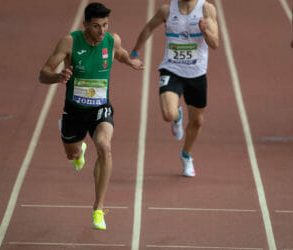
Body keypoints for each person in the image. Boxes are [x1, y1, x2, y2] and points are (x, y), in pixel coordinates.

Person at [39, 2, 144, 230]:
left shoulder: (110, 40)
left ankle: (98, 207)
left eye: (105, 25)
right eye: (96, 26)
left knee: (105, 147)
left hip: (100, 109)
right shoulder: (70, 42)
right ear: (85, 24)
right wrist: (58, 77)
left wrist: (131, 61)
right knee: (72, 155)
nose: (102, 31)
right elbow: (43, 73)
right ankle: (79, 152)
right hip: (74, 110)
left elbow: (121, 53)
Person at [131, 0, 218, 177]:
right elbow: (148, 28)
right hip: (172, 69)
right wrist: (134, 53)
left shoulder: (207, 9)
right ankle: (177, 116)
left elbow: (215, 43)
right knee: (168, 114)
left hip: (197, 73)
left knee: (197, 121)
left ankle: (186, 155)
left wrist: (205, 30)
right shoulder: (166, 10)